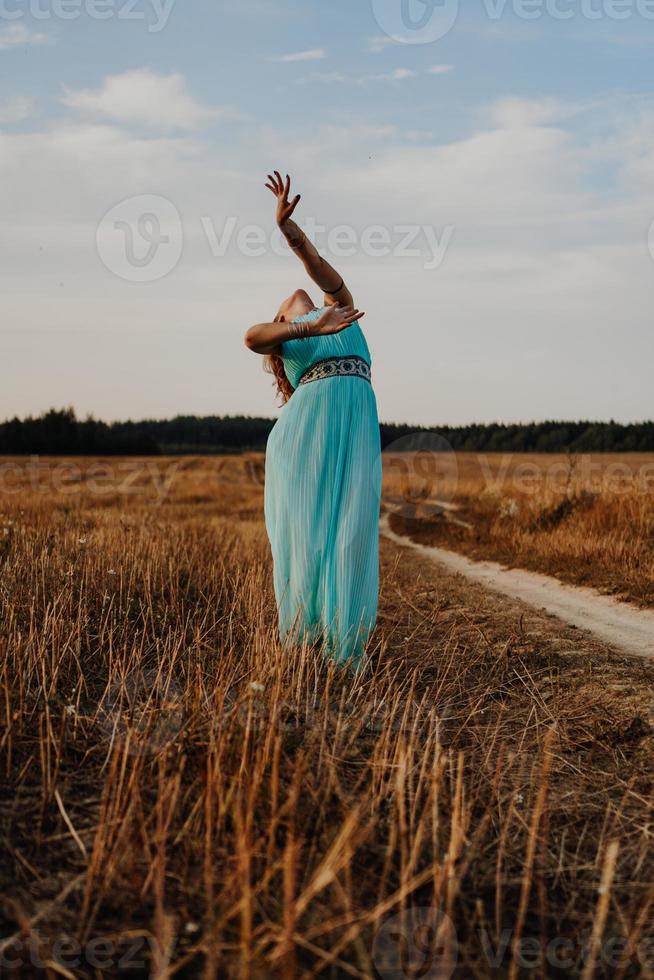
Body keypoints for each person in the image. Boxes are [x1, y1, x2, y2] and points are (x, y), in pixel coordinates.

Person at [245, 172, 382, 665]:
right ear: (285, 324)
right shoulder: (290, 339)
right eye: (284, 308)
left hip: (355, 428)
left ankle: (344, 648)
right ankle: (306, 644)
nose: (293, 294)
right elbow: (250, 337)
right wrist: (305, 326)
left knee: (352, 529)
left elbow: (315, 265)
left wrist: (288, 229)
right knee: (308, 536)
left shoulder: (343, 309)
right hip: (305, 435)